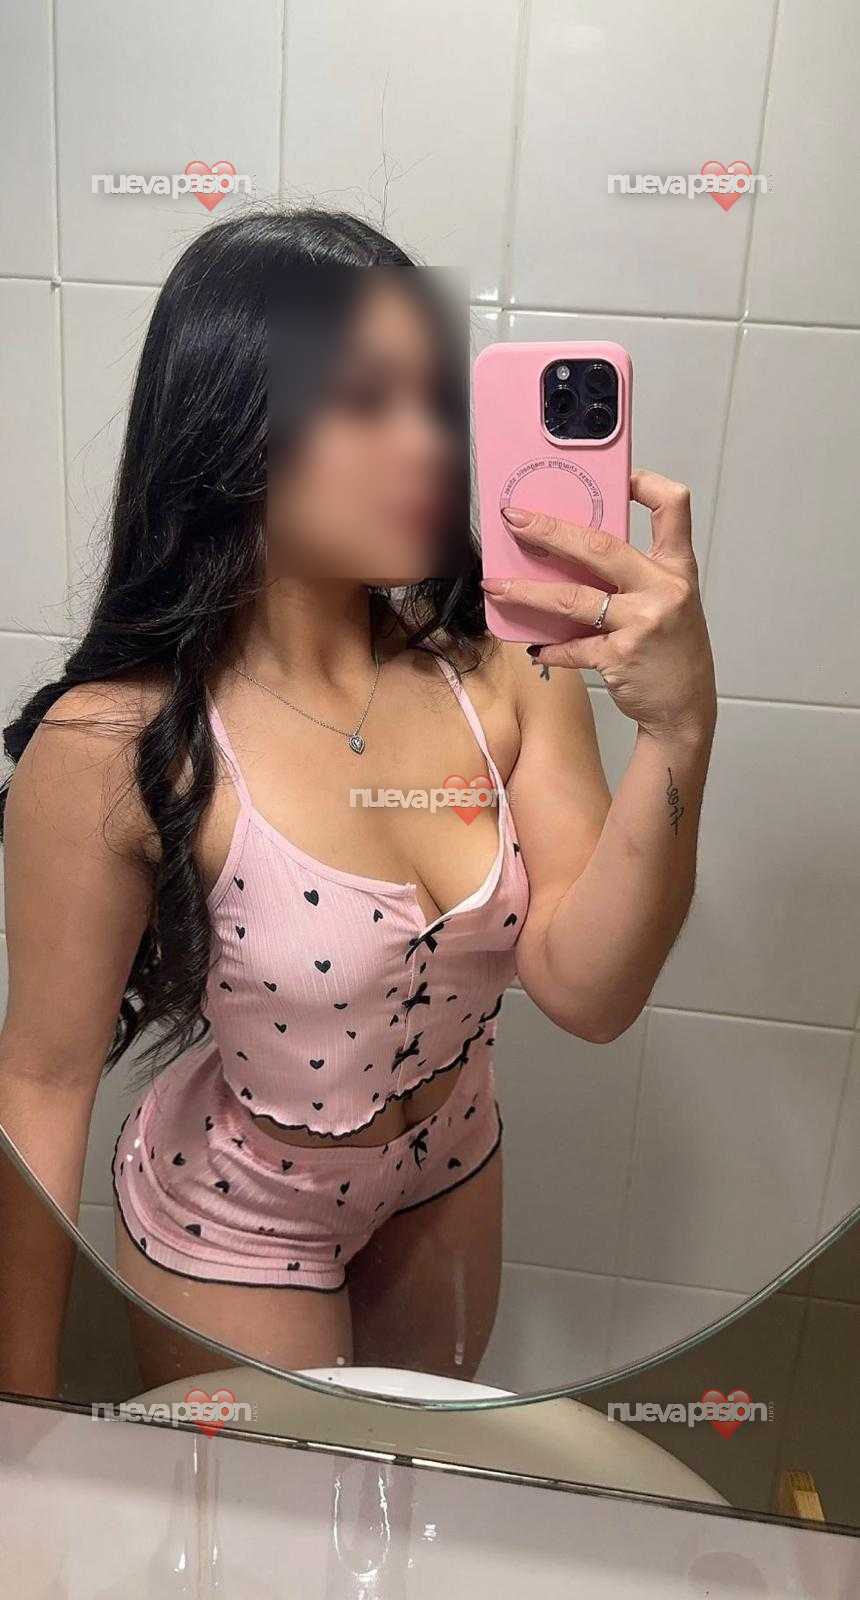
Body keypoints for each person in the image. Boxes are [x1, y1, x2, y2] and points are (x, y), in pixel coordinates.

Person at [0, 206, 716, 1395]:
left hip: (450, 1163)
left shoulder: (504, 666)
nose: (429, 443)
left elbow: (590, 993)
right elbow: (40, 1081)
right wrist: (17, 1417)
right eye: (364, 399)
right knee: (275, 1512)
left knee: (419, 1474)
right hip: (240, 1210)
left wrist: (678, 730)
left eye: (433, 399)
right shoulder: (116, 742)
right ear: (234, 422)